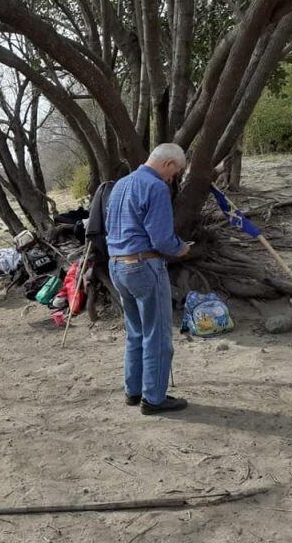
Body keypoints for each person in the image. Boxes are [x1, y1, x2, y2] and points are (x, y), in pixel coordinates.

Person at [106, 143, 192, 416]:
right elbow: (162, 238)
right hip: (144, 265)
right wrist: (181, 248)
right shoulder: (156, 187)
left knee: (136, 331)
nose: (173, 178)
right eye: (175, 172)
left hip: (117, 264)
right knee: (157, 333)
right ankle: (153, 398)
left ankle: (133, 391)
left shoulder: (120, 184)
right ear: (168, 164)